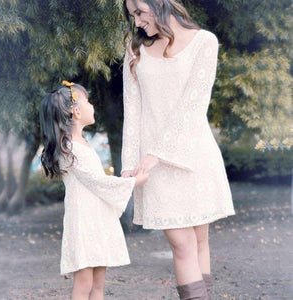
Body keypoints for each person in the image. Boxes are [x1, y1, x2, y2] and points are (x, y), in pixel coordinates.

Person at [121, 1, 236, 299]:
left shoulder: (205, 42)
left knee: (199, 242)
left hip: (194, 156)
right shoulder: (135, 51)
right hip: (152, 166)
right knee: (182, 245)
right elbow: (132, 113)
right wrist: (128, 165)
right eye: (133, 16)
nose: (137, 23)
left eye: (139, 13)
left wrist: (155, 153)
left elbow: (193, 107)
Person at [39, 80, 149, 300]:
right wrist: (133, 182)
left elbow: (98, 181)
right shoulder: (69, 148)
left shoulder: (81, 143)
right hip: (84, 221)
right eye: (88, 102)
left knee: (98, 281)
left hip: (97, 218)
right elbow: (97, 182)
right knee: (85, 281)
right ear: (76, 112)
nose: (93, 106)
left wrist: (123, 179)